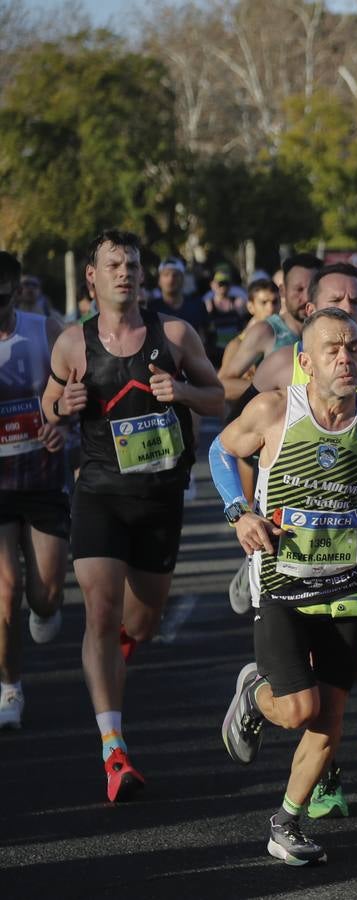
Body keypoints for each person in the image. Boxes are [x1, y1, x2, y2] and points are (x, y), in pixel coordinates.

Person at [215, 307, 357, 865]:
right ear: (305, 362)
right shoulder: (273, 411)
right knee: (297, 710)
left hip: (345, 581)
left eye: (354, 349)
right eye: (332, 350)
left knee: (332, 716)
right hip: (282, 580)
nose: (345, 358)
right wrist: (241, 512)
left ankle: (286, 823)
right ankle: (254, 693)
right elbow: (222, 450)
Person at [42, 229, 224, 800]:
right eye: (113, 264)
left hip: (159, 498)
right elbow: (50, 404)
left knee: (139, 623)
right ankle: (113, 749)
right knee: (98, 610)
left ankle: (114, 654)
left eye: (133, 264)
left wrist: (183, 393)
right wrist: (62, 407)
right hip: (98, 491)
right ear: (92, 276)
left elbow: (218, 396)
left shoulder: (174, 333)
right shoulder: (73, 344)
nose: (126, 272)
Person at [0, 251, 69, 730]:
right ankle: (10, 688)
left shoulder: (46, 329)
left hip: (42, 477)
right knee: (6, 591)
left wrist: (64, 425)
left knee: (44, 597)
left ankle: (44, 607)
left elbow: (78, 393)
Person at [217, 254, 320, 400]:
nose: (306, 297)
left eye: (312, 289)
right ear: (283, 291)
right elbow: (222, 385)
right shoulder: (266, 331)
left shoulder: (329, 332)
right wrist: (272, 385)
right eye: (298, 289)